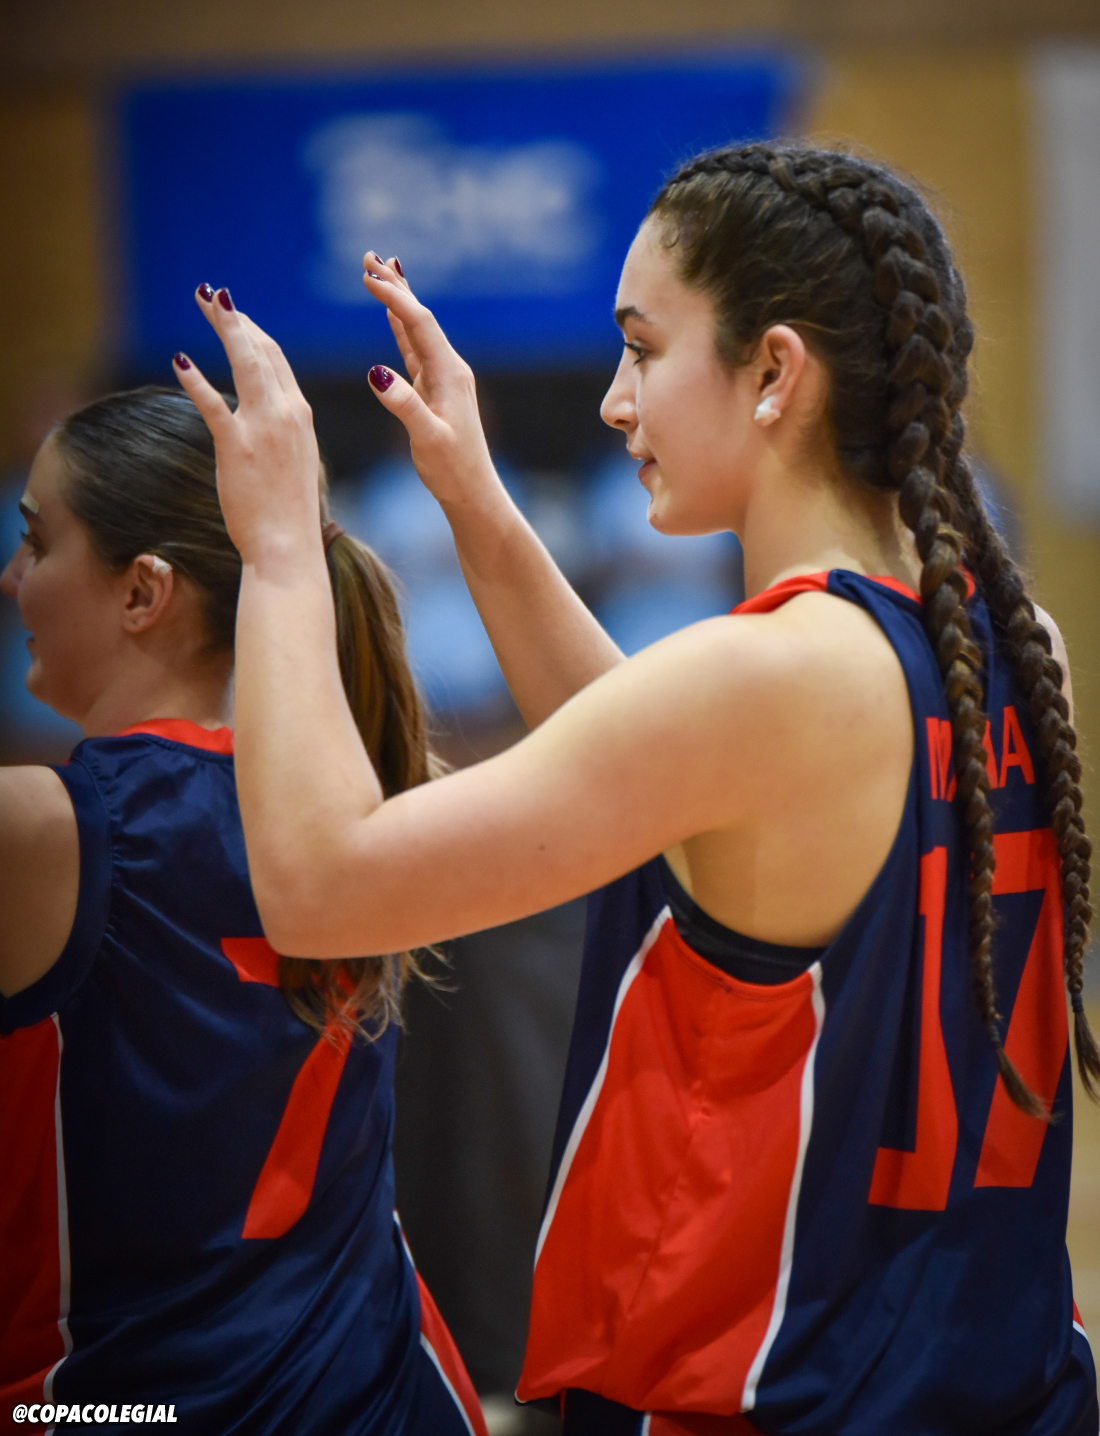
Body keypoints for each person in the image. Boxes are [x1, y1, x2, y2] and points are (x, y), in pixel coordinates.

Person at [174, 142, 1100, 1436]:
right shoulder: (1001, 643)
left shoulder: (761, 680)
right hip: (993, 1389)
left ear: (773, 372)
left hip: (783, 1402)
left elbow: (322, 888)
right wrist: (477, 503)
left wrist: (277, 551)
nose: (616, 403)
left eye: (642, 349)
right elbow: (664, 764)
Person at [0, 385, 487, 1436]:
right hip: (388, 1399)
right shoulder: (364, 807)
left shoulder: (38, 833)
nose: (12, 576)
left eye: (37, 541)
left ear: (143, 591)